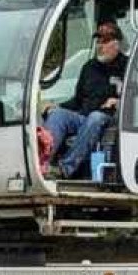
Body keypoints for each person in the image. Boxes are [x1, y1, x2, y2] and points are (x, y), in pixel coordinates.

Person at [41, 21, 129, 181]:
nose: (100, 46)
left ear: (117, 44)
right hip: (84, 116)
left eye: (105, 41)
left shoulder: (128, 67)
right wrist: (57, 106)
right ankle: (42, 164)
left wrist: (119, 101)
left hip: (110, 119)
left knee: (96, 117)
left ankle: (65, 168)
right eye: (98, 41)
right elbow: (77, 100)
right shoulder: (89, 67)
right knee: (58, 115)